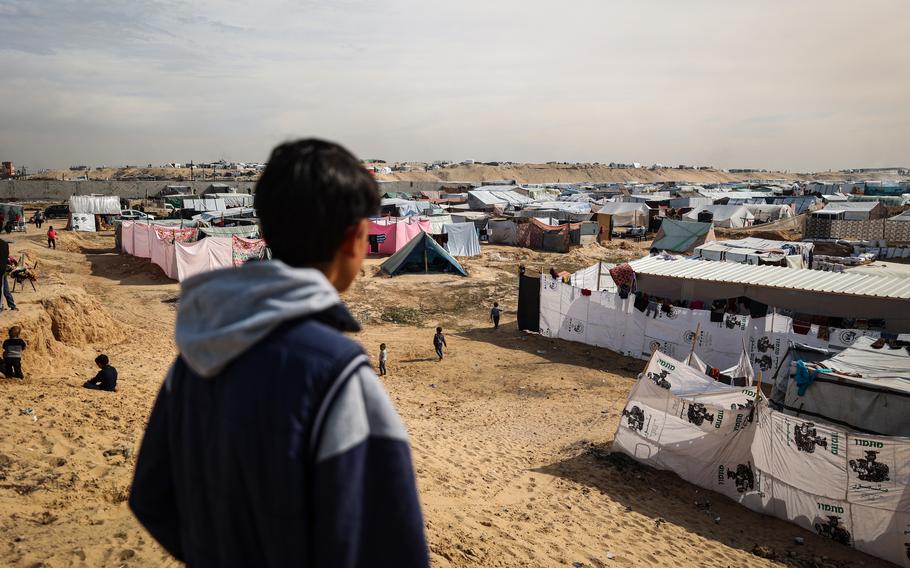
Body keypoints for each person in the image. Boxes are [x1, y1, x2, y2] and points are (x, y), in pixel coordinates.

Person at [129, 139, 428, 568]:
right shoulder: (335, 374)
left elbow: (151, 497)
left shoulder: (196, 357)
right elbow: (389, 546)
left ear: (264, 233)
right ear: (354, 240)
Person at [0, 238, 16, 312]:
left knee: (4, 288)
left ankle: (2, 306)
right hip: (3, 270)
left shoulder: (4, 244)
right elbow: (6, 257)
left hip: (2, 271)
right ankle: (12, 305)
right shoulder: (5, 244)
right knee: (5, 288)